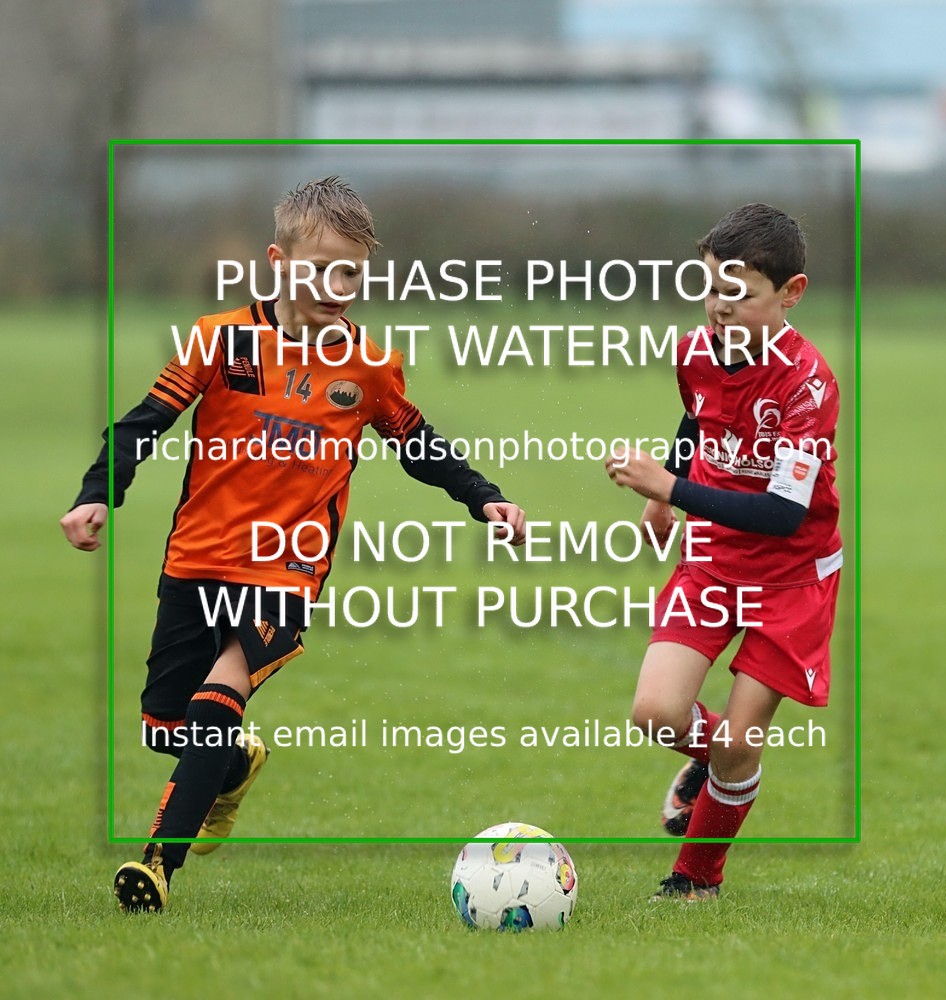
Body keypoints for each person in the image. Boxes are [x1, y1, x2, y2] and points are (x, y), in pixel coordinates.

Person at [61, 176, 527, 913]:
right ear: (279, 261)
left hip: (287, 571)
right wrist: (96, 494)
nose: (338, 285)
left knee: (219, 699)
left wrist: (485, 496)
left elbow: (417, 444)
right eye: (321, 268)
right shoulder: (219, 340)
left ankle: (155, 867)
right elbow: (139, 424)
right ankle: (234, 764)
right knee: (171, 730)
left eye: (352, 271)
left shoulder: (368, 367)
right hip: (196, 561)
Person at [605, 203, 841, 899]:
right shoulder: (694, 351)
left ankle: (693, 879)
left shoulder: (806, 384)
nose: (718, 306)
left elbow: (779, 513)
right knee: (655, 715)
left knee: (740, 740)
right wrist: (661, 499)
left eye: (737, 293)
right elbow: (697, 414)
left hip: (791, 575)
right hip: (711, 560)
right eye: (709, 287)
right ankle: (720, 763)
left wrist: (669, 487)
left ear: (788, 294)